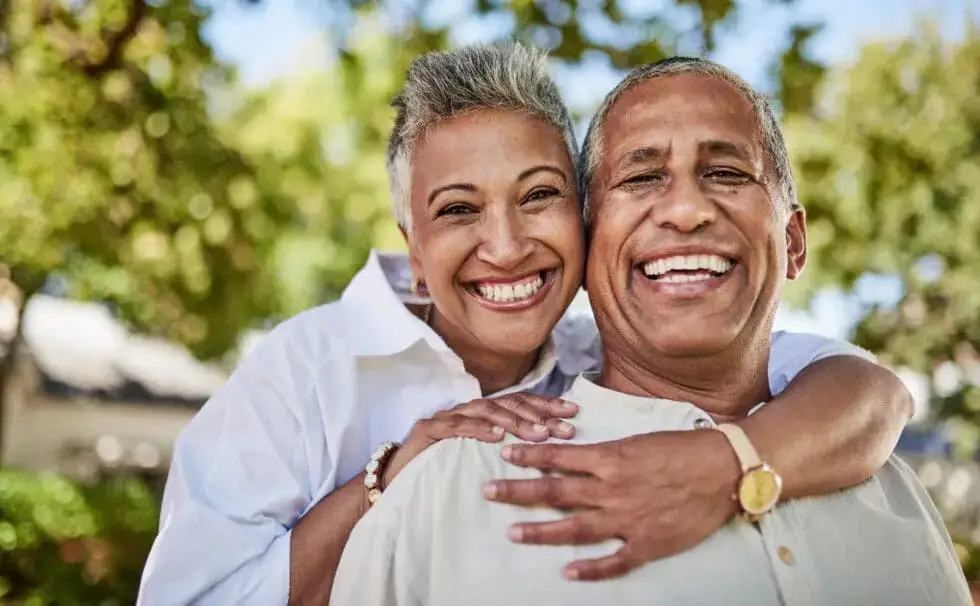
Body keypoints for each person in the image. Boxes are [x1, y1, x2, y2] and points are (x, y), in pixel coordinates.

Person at [138, 45, 913, 606]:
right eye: (458, 210)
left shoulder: (593, 348)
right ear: (411, 242)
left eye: (539, 196)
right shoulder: (305, 370)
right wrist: (389, 476)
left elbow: (866, 391)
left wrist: (729, 465)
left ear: (582, 220)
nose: (506, 247)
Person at [329, 55, 971, 606]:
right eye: (641, 177)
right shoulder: (447, 493)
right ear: (584, 244)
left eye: (726, 172)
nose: (687, 210)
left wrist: (736, 460)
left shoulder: (889, 485)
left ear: (793, 242)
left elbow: (874, 386)